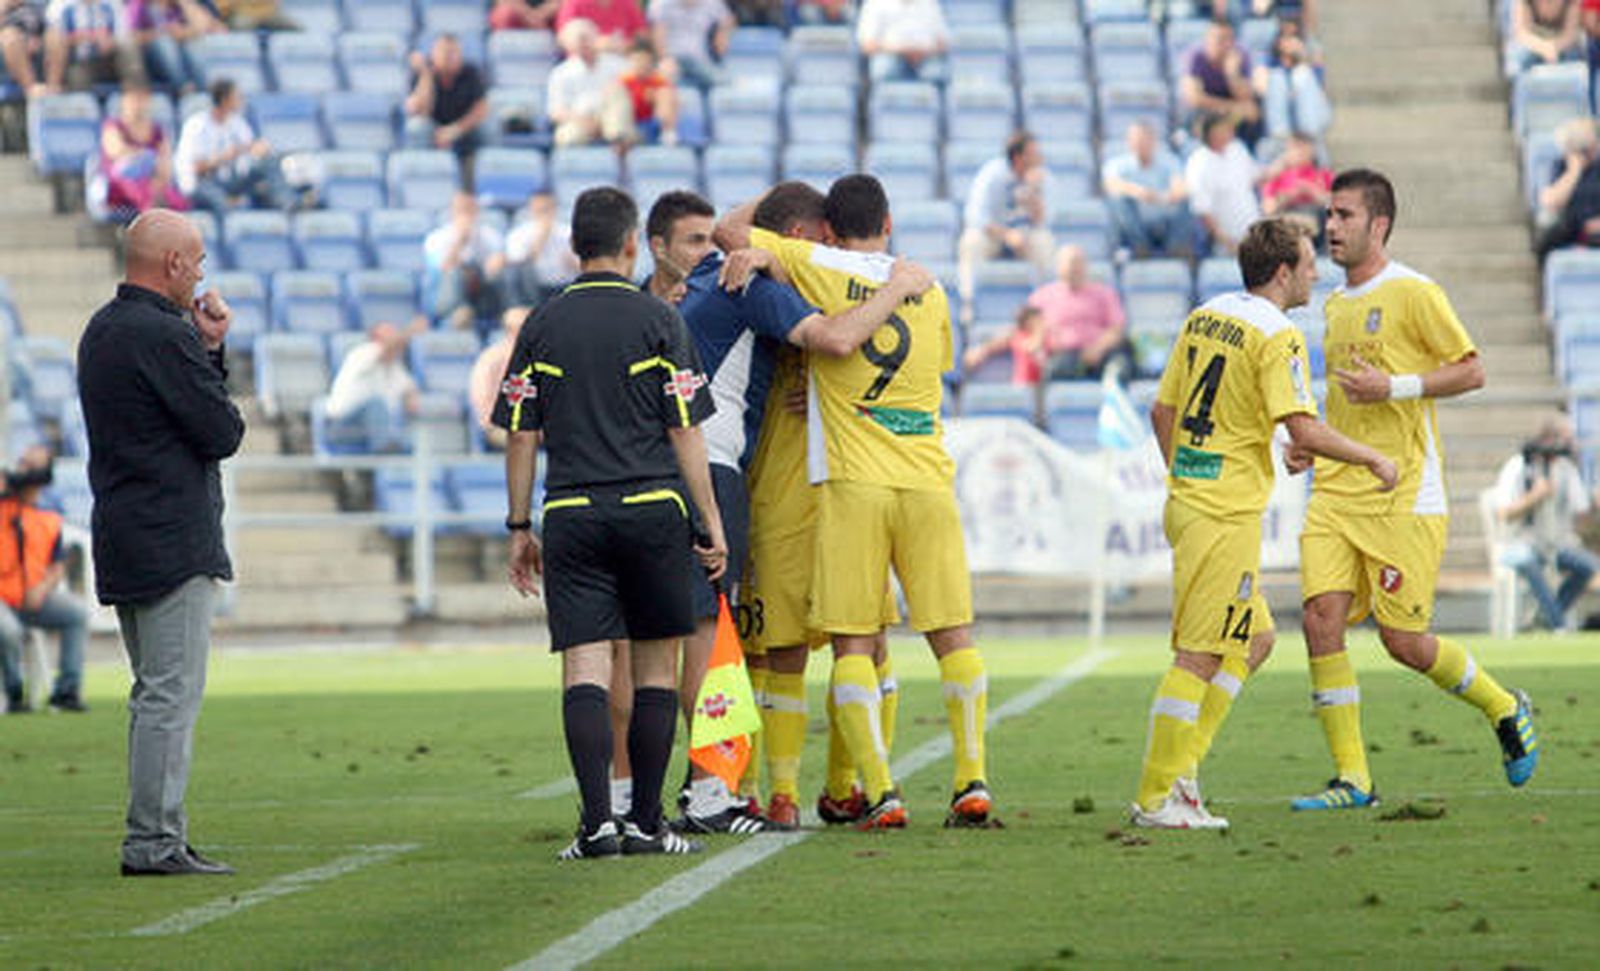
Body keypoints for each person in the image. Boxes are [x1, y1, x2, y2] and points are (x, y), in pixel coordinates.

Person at [656, 189, 939, 832]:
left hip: (678, 468)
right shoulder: (756, 281)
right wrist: (897, 288)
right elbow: (837, 340)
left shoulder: (714, 276)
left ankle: (673, 793)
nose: (832, 253)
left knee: (688, 643)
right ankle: (730, 790)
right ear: (793, 233)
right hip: (746, 472)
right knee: (785, 640)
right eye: (822, 239)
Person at [726, 175, 993, 831]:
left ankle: (876, 790)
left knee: (847, 643)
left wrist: (776, 206)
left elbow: (729, 234)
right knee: (947, 634)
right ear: (890, 220)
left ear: (826, 231)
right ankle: (970, 779)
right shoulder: (929, 291)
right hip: (928, 477)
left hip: (854, 481)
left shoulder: (819, 265)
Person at [1132, 217, 1398, 830]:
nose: (1316, 271)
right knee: (1199, 654)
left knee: (1253, 641)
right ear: (1281, 272)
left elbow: (1162, 408)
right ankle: (1155, 799)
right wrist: (1372, 458)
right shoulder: (1278, 335)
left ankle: (1184, 773)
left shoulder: (1206, 314)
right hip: (1222, 513)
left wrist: (1186, 477)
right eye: (1307, 263)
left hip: (1196, 502)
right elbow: (1303, 427)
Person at [1286, 168, 1539, 812]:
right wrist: (1313, 441)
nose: (1331, 227)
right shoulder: (1335, 304)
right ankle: (1354, 779)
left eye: (1344, 216)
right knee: (1321, 620)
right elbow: (1347, 399)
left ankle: (1504, 707)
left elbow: (1472, 369)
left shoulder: (1415, 291)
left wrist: (1396, 387)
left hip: (1404, 490)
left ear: (1380, 224)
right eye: (1329, 215)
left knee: (1403, 643)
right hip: (1337, 489)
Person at [494, 186, 725, 860]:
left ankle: (597, 824)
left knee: (585, 669)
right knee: (656, 667)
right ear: (632, 245)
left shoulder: (540, 323)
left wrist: (517, 525)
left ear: (573, 246)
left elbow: (519, 432)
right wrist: (709, 519)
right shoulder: (659, 320)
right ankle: (649, 824)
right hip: (654, 510)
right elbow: (686, 430)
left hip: (572, 512)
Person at [713, 182, 905, 828]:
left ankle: (801, 791)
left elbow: (727, 232)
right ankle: (830, 786)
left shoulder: (802, 271)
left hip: (802, 479)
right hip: (841, 478)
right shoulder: (882, 282)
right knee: (859, 642)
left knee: (793, 648)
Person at [78, 208, 245, 876]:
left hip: (123, 527)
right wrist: (207, 352)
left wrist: (201, 347)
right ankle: (152, 840)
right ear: (173, 263)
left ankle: (159, 833)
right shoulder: (160, 333)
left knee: (154, 689)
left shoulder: (103, 329)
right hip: (171, 535)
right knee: (169, 695)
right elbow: (221, 429)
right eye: (196, 260)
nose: (201, 272)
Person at [0, 447, 92, 715]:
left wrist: (43, 587)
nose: (24, 471)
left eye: (32, 467)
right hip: (3, 596)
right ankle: (15, 693)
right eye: (23, 464)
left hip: (33, 596)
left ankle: (66, 692)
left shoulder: (48, 516)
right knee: (8, 631)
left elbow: (58, 562)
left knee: (76, 614)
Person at [1493, 416, 1599, 631]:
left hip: (1554, 544)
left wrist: (1594, 504)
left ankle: (1546, 616)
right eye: (1565, 438)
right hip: (1517, 543)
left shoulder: (1565, 469)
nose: (1570, 444)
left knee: (1587, 566)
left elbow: (1581, 514)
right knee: (1528, 561)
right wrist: (1534, 496)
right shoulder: (1518, 467)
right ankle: (1558, 624)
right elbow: (1503, 514)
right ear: (1548, 438)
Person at [960, 131, 1056, 308]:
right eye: (1033, 154)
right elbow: (976, 217)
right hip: (994, 235)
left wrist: (1033, 190)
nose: (1039, 158)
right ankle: (969, 304)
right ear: (1018, 158)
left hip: (1026, 236)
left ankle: (1045, 306)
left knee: (1044, 242)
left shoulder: (1043, 177)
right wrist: (1007, 235)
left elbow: (1043, 221)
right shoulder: (992, 174)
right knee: (972, 241)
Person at [173, 77, 294, 212]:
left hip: (231, 180)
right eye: (237, 97)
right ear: (225, 100)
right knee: (219, 200)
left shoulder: (236, 122)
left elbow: (250, 147)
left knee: (269, 162)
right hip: (205, 183)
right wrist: (224, 156)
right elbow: (195, 168)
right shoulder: (196, 125)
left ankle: (288, 205)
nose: (241, 101)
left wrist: (258, 149)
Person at [1024, 244, 1133, 382]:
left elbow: (1117, 329)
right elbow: (1029, 328)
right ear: (1058, 267)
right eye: (1071, 263)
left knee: (1120, 366)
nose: (1075, 268)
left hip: (1101, 353)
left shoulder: (1104, 293)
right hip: (1063, 356)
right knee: (1053, 370)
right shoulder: (1042, 297)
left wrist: (1097, 349)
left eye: (1078, 263)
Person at [324, 320, 423, 454]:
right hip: (342, 425)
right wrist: (410, 331)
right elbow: (389, 348)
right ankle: (385, 452)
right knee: (376, 404)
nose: (394, 334)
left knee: (408, 436)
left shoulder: (395, 367)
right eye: (389, 332)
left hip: (372, 428)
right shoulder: (364, 352)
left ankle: (402, 458)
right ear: (376, 338)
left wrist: (411, 398)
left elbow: (409, 388)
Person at [1102, 121, 1191, 259]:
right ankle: (1140, 248)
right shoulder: (1117, 164)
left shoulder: (1169, 161)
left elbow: (1180, 188)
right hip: (1135, 227)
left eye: (1144, 140)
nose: (1141, 144)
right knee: (1118, 200)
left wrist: (1162, 197)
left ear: (1153, 141)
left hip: (1164, 221)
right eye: (1136, 140)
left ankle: (1175, 249)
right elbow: (1110, 185)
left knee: (1188, 201)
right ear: (1129, 142)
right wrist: (1138, 192)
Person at [405, 33, 489, 173]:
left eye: (453, 52)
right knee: (416, 127)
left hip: (463, 128)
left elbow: (481, 109)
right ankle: (425, 174)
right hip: (433, 129)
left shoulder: (471, 73)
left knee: (486, 129)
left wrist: (455, 130)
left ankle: (476, 181)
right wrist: (426, 75)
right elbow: (420, 111)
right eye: (443, 51)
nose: (448, 57)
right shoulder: (422, 74)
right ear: (433, 54)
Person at [100, 82, 188, 214]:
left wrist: (159, 177)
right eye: (134, 101)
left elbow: (165, 161)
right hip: (121, 184)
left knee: (175, 200)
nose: (138, 105)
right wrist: (147, 158)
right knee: (145, 188)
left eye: (142, 100)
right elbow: (116, 152)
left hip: (153, 182)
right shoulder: (113, 126)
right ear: (125, 102)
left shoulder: (157, 130)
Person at [424, 191, 506, 330]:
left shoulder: (489, 235)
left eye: (470, 209)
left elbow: (496, 265)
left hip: (483, 293)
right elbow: (444, 268)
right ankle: (459, 315)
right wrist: (460, 241)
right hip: (448, 297)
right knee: (455, 272)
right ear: (452, 211)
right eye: (462, 209)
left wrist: (495, 262)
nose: (466, 214)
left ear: (477, 211)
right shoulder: (436, 238)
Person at [1186, 112, 1262, 256]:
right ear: (1211, 133)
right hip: (1226, 243)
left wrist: (1284, 162)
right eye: (1224, 129)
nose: (1230, 132)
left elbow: (1256, 177)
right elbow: (1203, 210)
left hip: (1253, 234)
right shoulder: (1199, 162)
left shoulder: (1238, 149)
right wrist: (1226, 242)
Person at [545, 18, 628, 148]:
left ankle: (618, 142)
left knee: (616, 93)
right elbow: (556, 111)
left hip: (613, 120)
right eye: (578, 39)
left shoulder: (618, 65)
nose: (583, 43)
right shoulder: (560, 73)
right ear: (568, 44)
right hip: (579, 121)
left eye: (586, 38)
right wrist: (584, 121)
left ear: (596, 38)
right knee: (568, 137)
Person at [1179, 18, 1262, 147]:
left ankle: (1243, 153)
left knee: (1252, 114)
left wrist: (1232, 74)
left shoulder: (1240, 55)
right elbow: (1193, 98)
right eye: (1221, 39)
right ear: (1208, 40)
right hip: (1206, 109)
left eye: (1230, 39)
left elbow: (1247, 98)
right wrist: (1231, 107)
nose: (1226, 44)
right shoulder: (1195, 56)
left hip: (1230, 111)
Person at [1253, 16, 1330, 139]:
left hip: (1306, 116)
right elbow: (1260, 88)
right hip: (1277, 116)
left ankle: (1307, 138)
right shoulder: (1267, 60)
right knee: (1277, 78)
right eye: (1285, 36)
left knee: (1302, 74)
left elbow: (1320, 93)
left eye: (1294, 37)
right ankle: (1282, 137)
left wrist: (1303, 59)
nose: (1289, 41)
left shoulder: (1308, 66)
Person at [1536, 116, 1600, 259]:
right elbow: (1550, 202)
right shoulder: (1559, 166)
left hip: (1597, 226)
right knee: (1544, 241)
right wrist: (1574, 172)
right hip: (1573, 227)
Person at [503, 190, 579, 308]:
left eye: (547, 208)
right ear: (531, 208)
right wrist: (541, 238)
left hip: (563, 287)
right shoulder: (519, 234)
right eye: (540, 209)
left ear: (555, 208)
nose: (544, 213)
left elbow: (582, 267)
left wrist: (573, 264)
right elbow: (519, 268)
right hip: (533, 291)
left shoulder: (568, 233)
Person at [126, 0, 216, 93]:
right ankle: (183, 88)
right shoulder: (140, 4)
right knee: (165, 43)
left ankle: (204, 89)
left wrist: (183, 32)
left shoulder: (176, 6)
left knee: (192, 45)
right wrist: (161, 33)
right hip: (151, 57)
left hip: (180, 54)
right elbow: (130, 36)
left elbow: (202, 28)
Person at [45, 0, 135, 92]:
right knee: (77, 78)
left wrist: (109, 41)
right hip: (80, 61)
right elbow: (56, 40)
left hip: (111, 59)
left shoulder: (112, 4)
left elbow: (123, 35)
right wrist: (82, 37)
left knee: (128, 47)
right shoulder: (63, 6)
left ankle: (135, 92)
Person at [470, 307, 527, 450]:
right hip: (499, 426)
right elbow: (481, 399)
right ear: (509, 330)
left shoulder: (540, 357)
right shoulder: (491, 358)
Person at [1259, 131, 1332, 244]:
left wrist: (1312, 192)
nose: (1299, 152)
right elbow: (1268, 209)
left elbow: (1336, 204)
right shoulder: (1277, 177)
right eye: (1295, 148)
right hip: (1287, 231)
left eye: (1303, 148)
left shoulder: (1323, 175)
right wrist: (1287, 197)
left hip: (1319, 230)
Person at [855, 0, 948, 83]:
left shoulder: (930, 3)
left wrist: (921, 51)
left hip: (925, 57)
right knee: (883, 67)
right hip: (890, 55)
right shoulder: (875, 3)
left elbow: (943, 43)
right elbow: (867, 45)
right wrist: (903, 50)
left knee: (936, 70)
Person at [649, 0, 733, 92]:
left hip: (700, 60)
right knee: (664, 74)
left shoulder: (712, 3)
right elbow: (658, 37)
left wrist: (721, 40)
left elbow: (727, 21)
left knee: (725, 81)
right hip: (672, 58)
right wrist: (664, 58)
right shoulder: (661, 4)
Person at [613, 38, 679, 148]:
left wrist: (655, 99)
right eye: (637, 59)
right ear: (630, 60)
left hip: (653, 125)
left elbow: (672, 105)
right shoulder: (623, 82)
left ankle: (668, 135)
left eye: (645, 60)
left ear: (651, 61)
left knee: (666, 93)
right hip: (630, 127)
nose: (641, 64)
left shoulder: (659, 82)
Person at [961, 305, 1048, 387]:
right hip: (1022, 387)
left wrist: (1040, 331)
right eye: (1033, 320)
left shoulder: (1048, 338)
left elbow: (1033, 348)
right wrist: (980, 351)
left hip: (1042, 387)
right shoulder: (1018, 335)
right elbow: (997, 343)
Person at [1508, 0, 1584, 76]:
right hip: (1533, 45)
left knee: (1573, 57)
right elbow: (1522, 33)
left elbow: (1570, 34)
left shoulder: (1573, 2)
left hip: (1562, 46)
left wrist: (1554, 48)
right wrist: (1544, 48)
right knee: (1521, 57)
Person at [2, 0, 52, 98]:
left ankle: (54, 86)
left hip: (37, 45)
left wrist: (37, 39)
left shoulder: (35, 7)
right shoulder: (4, 8)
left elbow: (45, 27)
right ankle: (30, 88)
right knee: (11, 37)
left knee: (54, 35)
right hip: (8, 48)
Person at [554, 0, 647, 52]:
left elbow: (641, 34)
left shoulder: (626, 3)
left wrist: (626, 45)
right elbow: (562, 38)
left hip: (622, 59)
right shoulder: (575, 3)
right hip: (584, 65)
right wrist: (594, 45)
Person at [489, 0, 558, 30]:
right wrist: (531, 19)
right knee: (504, 15)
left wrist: (540, 15)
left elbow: (558, 3)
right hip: (515, 15)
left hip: (546, 18)